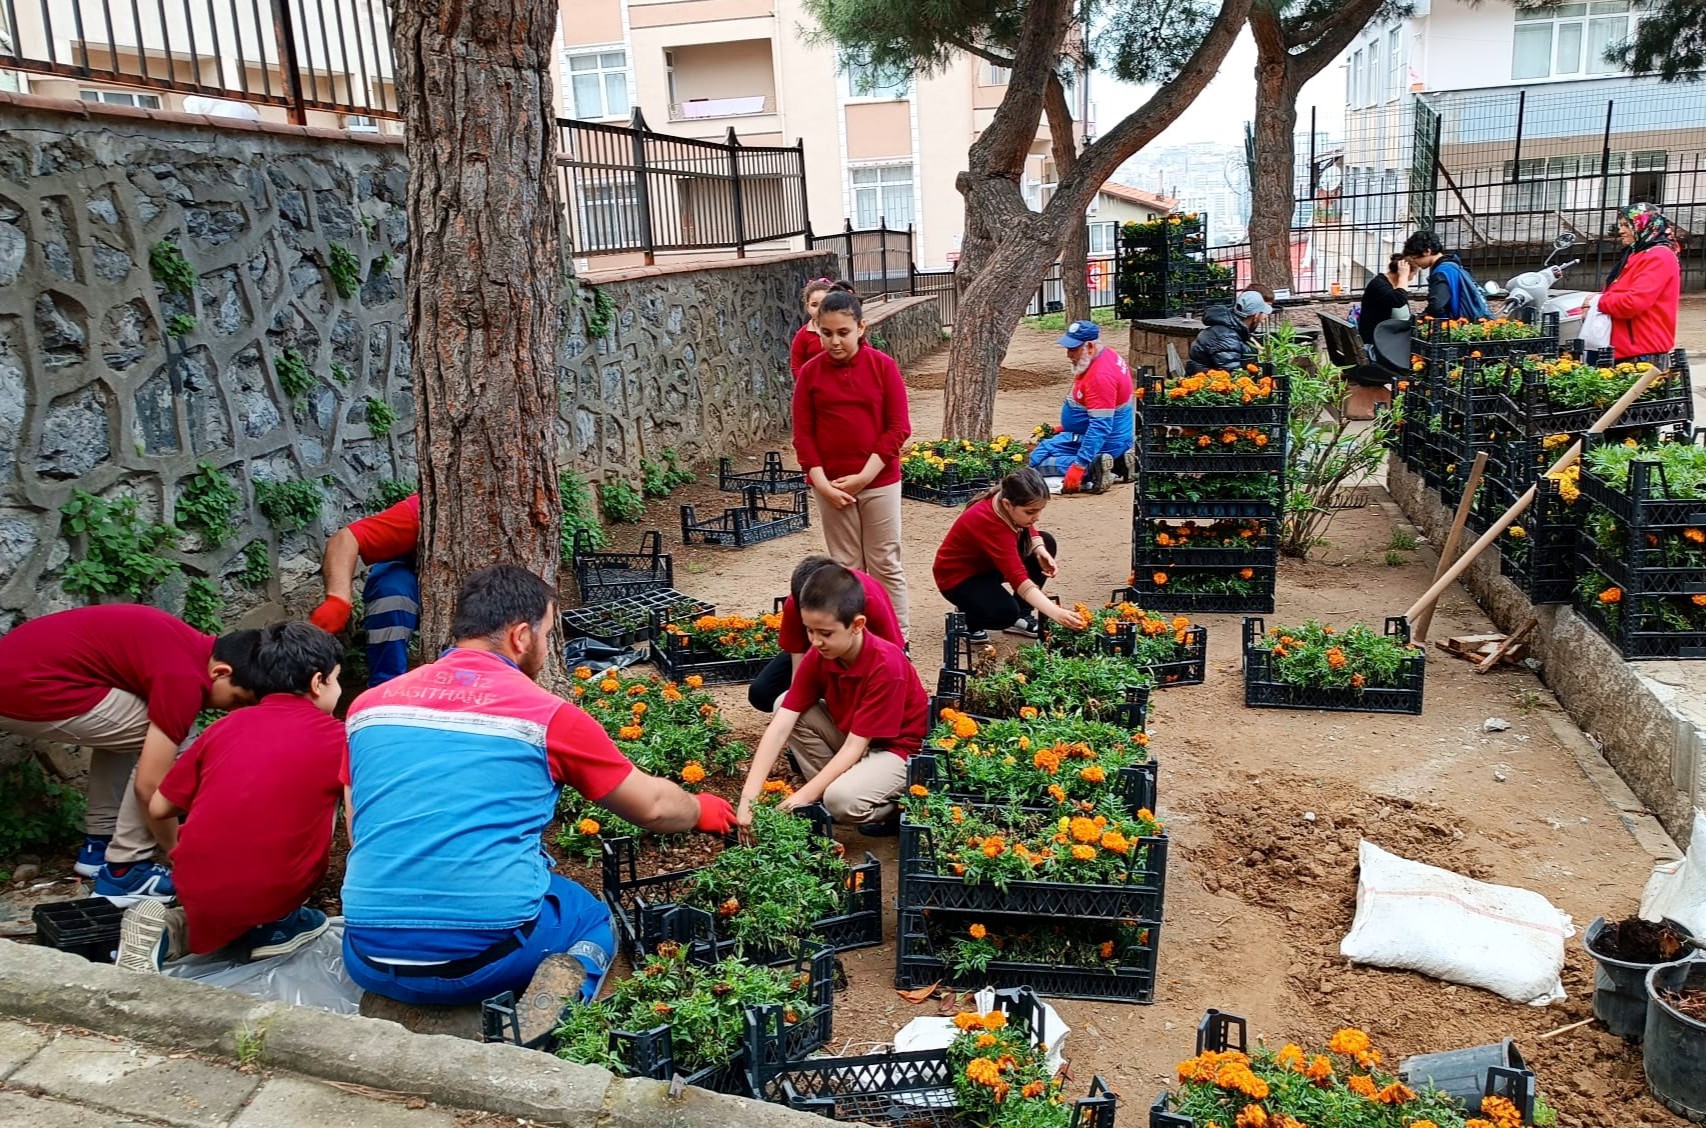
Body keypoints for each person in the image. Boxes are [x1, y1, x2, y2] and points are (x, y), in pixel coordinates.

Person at [339, 565, 736, 1018]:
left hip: (366, 953)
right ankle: (555, 1013)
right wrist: (700, 809)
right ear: (521, 636)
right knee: (591, 918)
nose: (548, 649)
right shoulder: (547, 717)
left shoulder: (368, 707)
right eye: (549, 634)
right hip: (485, 962)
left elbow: (358, 826)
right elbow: (653, 808)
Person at [114, 623, 348, 973]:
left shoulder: (223, 728)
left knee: (219, 912)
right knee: (324, 812)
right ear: (318, 683)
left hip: (195, 883)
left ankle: (170, 929)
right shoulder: (339, 737)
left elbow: (160, 806)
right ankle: (275, 928)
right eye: (337, 679)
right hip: (273, 889)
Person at [0, 606, 264, 903]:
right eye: (237, 700)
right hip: (27, 684)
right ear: (221, 673)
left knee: (143, 724)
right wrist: (179, 852)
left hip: (20, 672)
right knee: (172, 740)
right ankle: (127, 869)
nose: (231, 711)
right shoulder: (182, 679)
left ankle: (100, 845)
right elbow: (149, 786)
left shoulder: (185, 644)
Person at [736, 563, 928, 836]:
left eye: (825, 633)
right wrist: (748, 799)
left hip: (898, 750)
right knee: (783, 704)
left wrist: (799, 799)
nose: (815, 641)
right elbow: (780, 726)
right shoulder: (820, 654)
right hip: (857, 737)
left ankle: (897, 807)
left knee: (841, 800)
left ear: (857, 625)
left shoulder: (886, 664)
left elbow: (854, 747)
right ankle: (836, 791)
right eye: (810, 631)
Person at [792, 289, 912, 638]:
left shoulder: (882, 366)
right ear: (816, 329)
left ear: (860, 327)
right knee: (847, 567)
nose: (835, 341)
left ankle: (896, 638)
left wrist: (864, 476)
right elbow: (803, 435)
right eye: (826, 333)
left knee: (885, 563)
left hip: (879, 480)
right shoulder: (811, 374)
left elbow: (897, 427)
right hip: (831, 486)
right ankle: (856, 641)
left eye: (843, 332)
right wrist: (822, 483)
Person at [934, 468, 1088, 640]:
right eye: (1031, 512)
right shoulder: (989, 522)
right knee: (1004, 615)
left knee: (1046, 541)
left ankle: (1021, 615)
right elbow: (1017, 577)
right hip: (958, 578)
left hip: (986, 564)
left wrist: (1040, 550)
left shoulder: (1006, 499)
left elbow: (1025, 525)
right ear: (1008, 504)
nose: (1036, 517)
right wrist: (1055, 613)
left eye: (1039, 510)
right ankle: (969, 616)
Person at [748, 555, 904, 713]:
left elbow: (894, 653)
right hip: (819, 651)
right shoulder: (796, 603)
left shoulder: (868, 596)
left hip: (863, 655)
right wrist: (796, 702)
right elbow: (798, 661)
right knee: (762, 693)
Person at [308, 492, 421, 686]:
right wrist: (338, 601)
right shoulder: (425, 509)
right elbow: (346, 540)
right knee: (391, 591)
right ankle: (386, 687)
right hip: (414, 578)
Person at [1027, 320, 1136, 495]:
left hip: (1104, 439)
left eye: (1073, 349)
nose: (1069, 355)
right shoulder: (1107, 355)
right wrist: (1066, 427)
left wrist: (1079, 465)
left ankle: (1094, 468)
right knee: (1047, 447)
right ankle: (1118, 463)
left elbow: (1100, 426)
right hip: (1112, 436)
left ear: (1090, 346)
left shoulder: (1100, 377)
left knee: (1037, 462)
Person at [1596, 203, 1681, 363]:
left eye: (1626, 225)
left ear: (1643, 225)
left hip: (1643, 352)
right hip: (1627, 349)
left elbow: (1632, 303)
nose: (1620, 231)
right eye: (1620, 225)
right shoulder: (1636, 254)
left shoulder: (1659, 256)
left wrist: (1598, 302)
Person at [1403, 230, 1490, 321]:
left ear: (1427, 251)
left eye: (1414, 258)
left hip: (1456, 325)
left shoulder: (1441, 272)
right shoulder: (1454, 266)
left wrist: (1420, 318)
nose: (1415, 262)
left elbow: (1437, 306)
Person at [1186, 290, 1273, 376]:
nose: (1262, 320)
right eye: (1263, 314)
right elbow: (1233, 374)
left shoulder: (1233, 330)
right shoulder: (1226, 336)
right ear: (1256, 315)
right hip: (1207, 385)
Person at [790, 278, 855, 377]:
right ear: (808, 307)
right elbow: (796, 367)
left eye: (824, 303)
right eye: (814, 305)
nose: (819, 309)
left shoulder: (847, 329)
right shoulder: (803, 335)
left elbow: (864, 356)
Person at [1358, 256, 1413, 350]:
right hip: (1378, 344)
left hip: (1383, 339)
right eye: (1413, 275)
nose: (1411, 279)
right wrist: (1403, 277)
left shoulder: (1384, 284)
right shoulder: (1380, 285)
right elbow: (1399, 300)